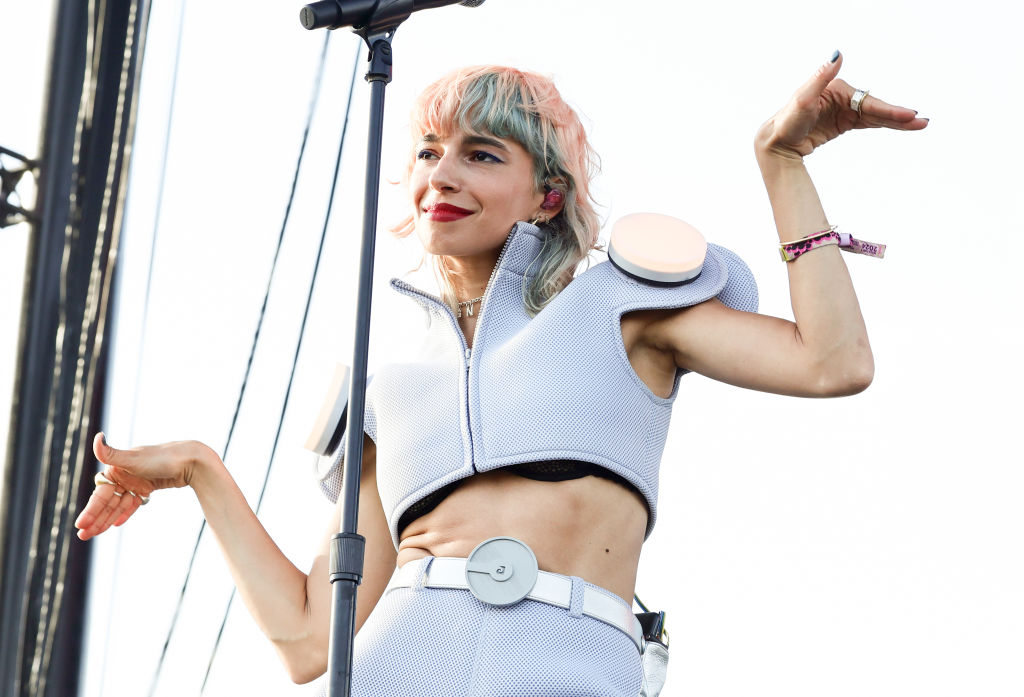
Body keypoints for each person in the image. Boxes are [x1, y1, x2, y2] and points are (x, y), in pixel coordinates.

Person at [75, 54, 927, 695]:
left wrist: (783, 165)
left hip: (575, 667)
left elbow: (833, 363)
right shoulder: (385, 374)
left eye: (482, 155)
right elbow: (309, 639)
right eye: (428, 152)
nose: (441, 175)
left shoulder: (625, 308)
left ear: (546, 196)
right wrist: (198, 468)